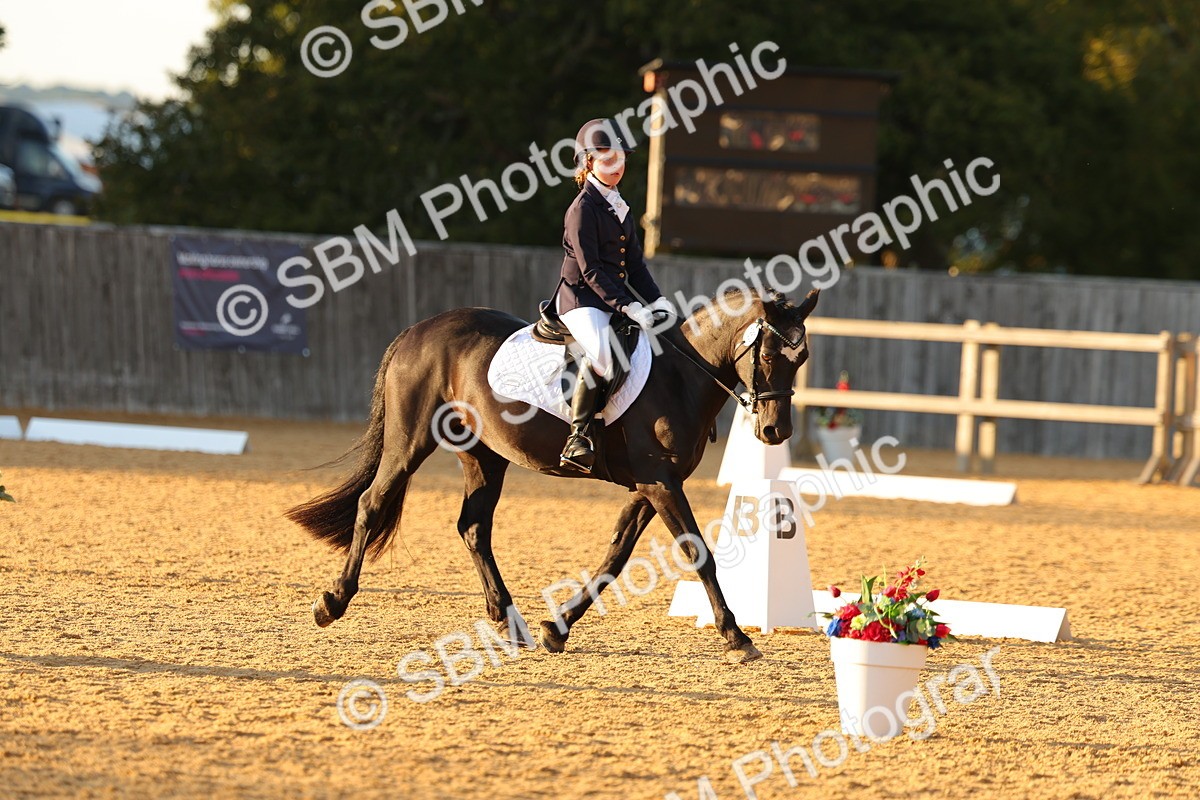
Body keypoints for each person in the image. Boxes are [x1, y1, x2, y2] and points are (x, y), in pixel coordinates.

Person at [555, 118, 676, 472]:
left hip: (613, 298)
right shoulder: (582, 209)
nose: (617, 167)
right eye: (608, 161)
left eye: (621, 159)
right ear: (588, 162)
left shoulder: (619, 205)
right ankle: (577, 436)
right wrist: (626, 304)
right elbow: (591, 269)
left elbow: (635, 266)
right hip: (581, 300)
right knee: (603, 357)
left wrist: (656, 301)